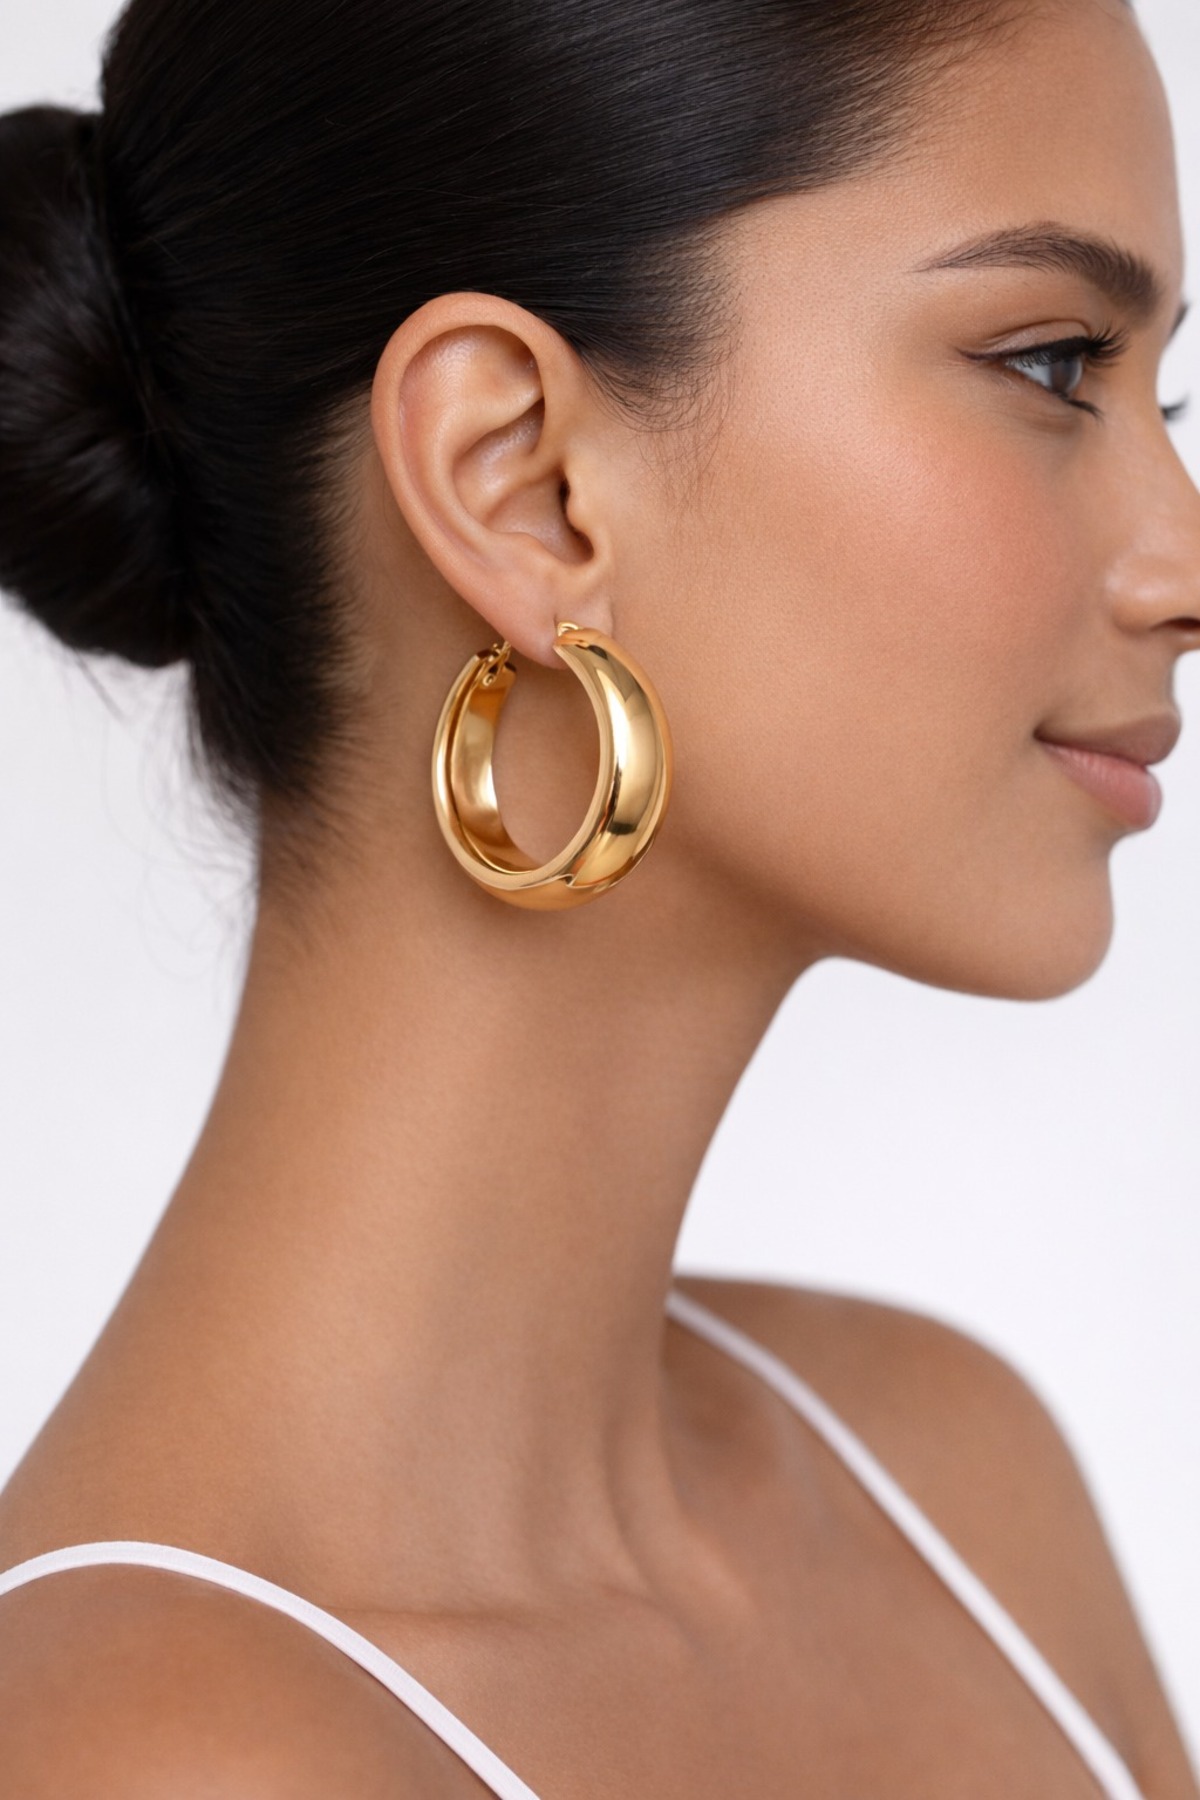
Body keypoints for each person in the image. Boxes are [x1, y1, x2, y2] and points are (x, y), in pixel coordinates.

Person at [0, 0, 1197, 1792]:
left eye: (1159, 394)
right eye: (1050, 366)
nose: (1181, 565)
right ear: (524, 483)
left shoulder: (957, 1478)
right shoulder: (149, 1757)